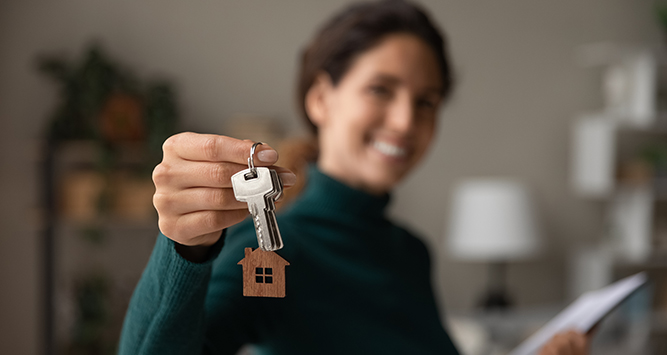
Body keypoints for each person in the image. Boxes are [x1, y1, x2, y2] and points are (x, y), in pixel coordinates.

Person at [119, 1, 591, 354]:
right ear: (321, 98)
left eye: (426, 102)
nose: (406, 121)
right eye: (381, 89)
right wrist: (185, 249)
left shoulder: (409, 252)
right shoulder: (271, 254)